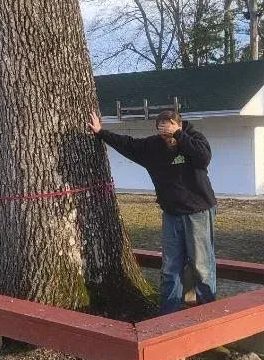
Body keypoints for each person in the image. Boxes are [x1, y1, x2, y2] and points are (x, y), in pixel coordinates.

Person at [88, 108, 217, 314]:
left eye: (170, 132)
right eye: (163, 133)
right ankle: (168, 314)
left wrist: (178, 135)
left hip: (198, 212)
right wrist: (101, 132)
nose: (167, 138)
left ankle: (209, 313)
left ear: (179, 126)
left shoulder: (193, 138)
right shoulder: (153, 147)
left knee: (201, 266)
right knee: (170, 268)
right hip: (171, 214)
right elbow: (128, 144)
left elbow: (203, 158)